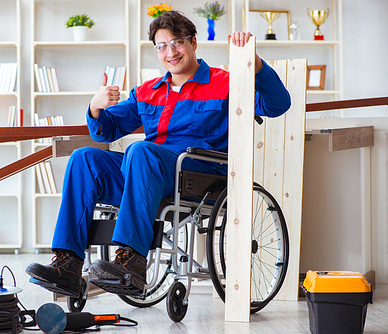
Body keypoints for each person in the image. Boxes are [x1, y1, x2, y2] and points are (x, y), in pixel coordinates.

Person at [26, 10, 291, 297]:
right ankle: (68, 264)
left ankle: (132, 263)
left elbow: (278, 105)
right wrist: (96, 107)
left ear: (193, 43)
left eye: (177, 42)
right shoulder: (147, 91)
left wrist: (257, 64)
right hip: (146, 172)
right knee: (83, 159)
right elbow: (107, 130)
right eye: (162, 46)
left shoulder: (224, 82)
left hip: (196, 173)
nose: (170, 52)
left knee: (141, 151)